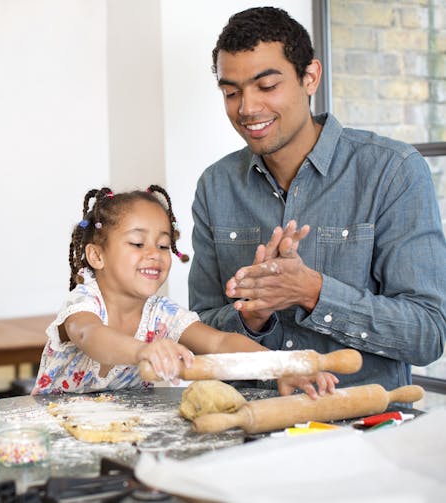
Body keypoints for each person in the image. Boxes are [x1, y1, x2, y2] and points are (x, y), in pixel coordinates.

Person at [188, 7, 446, 392]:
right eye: (231, 92)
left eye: (267, 86)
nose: (247, 108)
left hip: (363, 431)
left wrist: (312, 292)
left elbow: (428, 334)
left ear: (310, 77)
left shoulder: (393, 170)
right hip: (251, 429)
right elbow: (198, 331)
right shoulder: (216, 185)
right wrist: (251, 316)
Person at [32, 185, 337, 396]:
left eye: (164, 245)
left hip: (118, 432)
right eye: (138, 244)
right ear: (97, 256)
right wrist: (142, 351)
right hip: (55, 429)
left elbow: (218, 342)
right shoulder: (85, 302)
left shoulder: (161, 314)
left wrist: (283, 366)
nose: (154, 253)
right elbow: (90, 336)